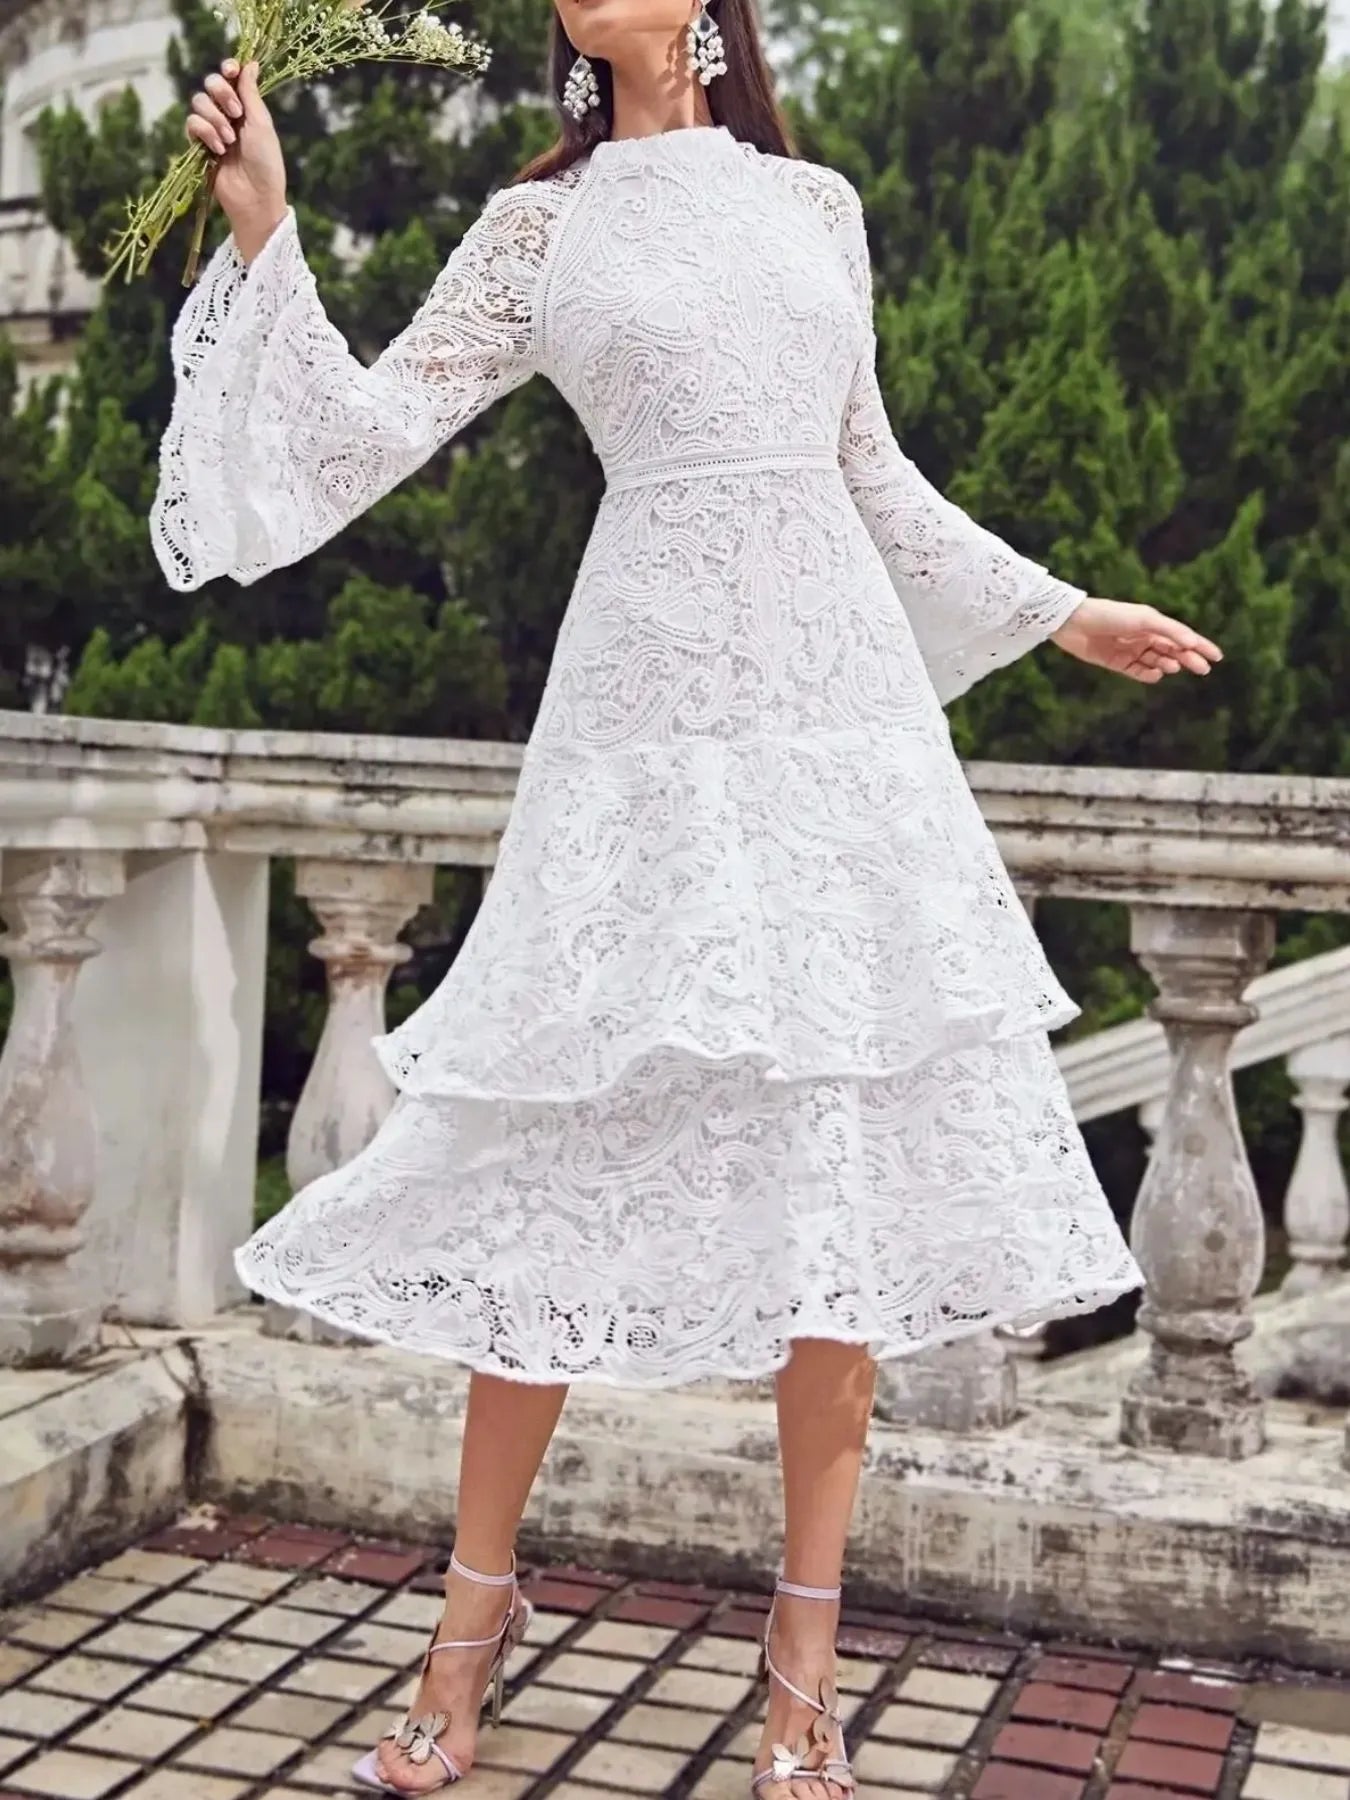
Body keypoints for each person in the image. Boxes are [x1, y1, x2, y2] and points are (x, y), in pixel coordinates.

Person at [157, 0, 1220, 1791]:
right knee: (547, 1179)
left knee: (833, 1196)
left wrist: (1059, 611)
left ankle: (800, 1682)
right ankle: (463, 1642)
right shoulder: (540, 226)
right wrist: (268, 224)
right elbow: (365, 426)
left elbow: (868, 471)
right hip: (641, 720)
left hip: (830, 716)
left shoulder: (816, 209)